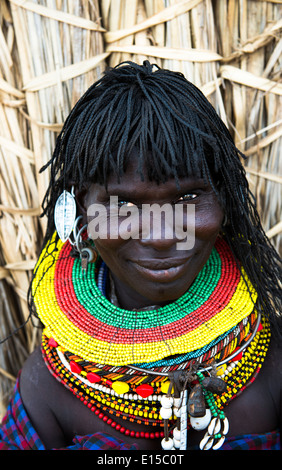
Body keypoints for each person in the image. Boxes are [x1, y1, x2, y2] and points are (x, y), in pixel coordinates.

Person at [0, 61, 281, 451]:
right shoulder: (47, 390)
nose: (163, 236)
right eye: (123, 204)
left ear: (225, 199)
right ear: (82, 209)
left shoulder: (273, 362)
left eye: (187, 199)